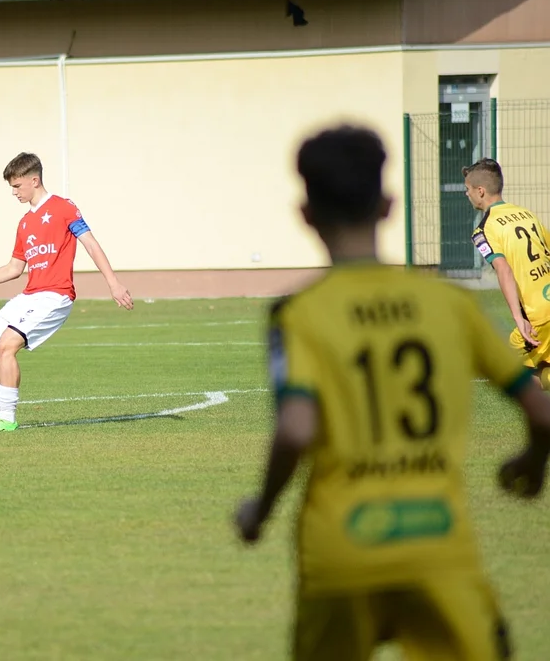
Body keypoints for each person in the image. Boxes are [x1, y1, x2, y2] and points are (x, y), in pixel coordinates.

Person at [233, 125, 550, 660]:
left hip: (339, 550)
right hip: (437, 546)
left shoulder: (297, 313)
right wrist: (533, 462)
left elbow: (296, 428)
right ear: (387, 205)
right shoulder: (447, 305)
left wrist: (259, 512)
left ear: (306, 214)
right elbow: (540, 412)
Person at [0, 152, 134, 432]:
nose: (14, 192)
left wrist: (113, 283)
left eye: (17, 186)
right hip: (30, 295)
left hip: (55, 296)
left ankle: (6, 417)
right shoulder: (24, 223)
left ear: (34, 180)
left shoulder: (64, 208)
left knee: (6, 346)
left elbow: (90, 244)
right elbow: (14, 268)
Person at [465, 158, 550, 390]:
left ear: (480, 191)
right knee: (537, 368)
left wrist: (518, 318)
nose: (467, 194)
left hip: (537, 315)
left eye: (468, 189)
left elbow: (503, 269)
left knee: (503, 367)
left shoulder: (484, 230)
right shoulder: (527, 214)